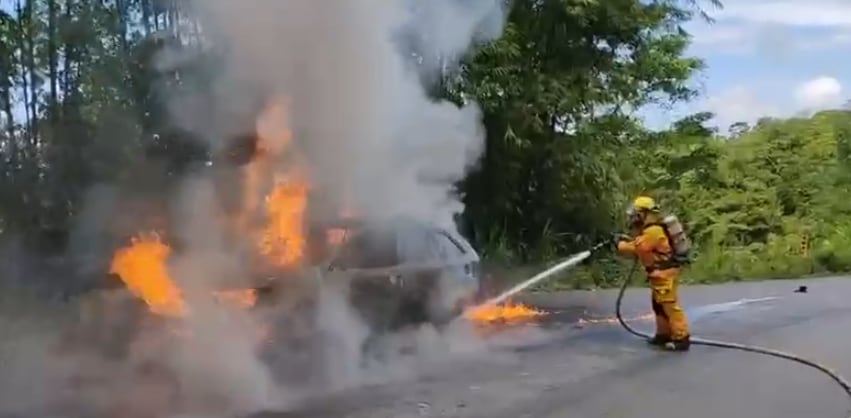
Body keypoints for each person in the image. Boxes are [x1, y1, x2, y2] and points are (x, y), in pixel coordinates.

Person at [616, 196, 691, 351]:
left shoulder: (653, 231)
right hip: (658, 275)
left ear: (644, 213)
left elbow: (639, 248)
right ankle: (663, 334)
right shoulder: (649, 230)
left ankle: (681, 338)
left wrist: (621, 245)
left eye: (636, 213)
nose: (633, 217)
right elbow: (640, 243)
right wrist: (628, 240)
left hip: (665, 275)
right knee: (659, 306)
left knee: (669, 305)